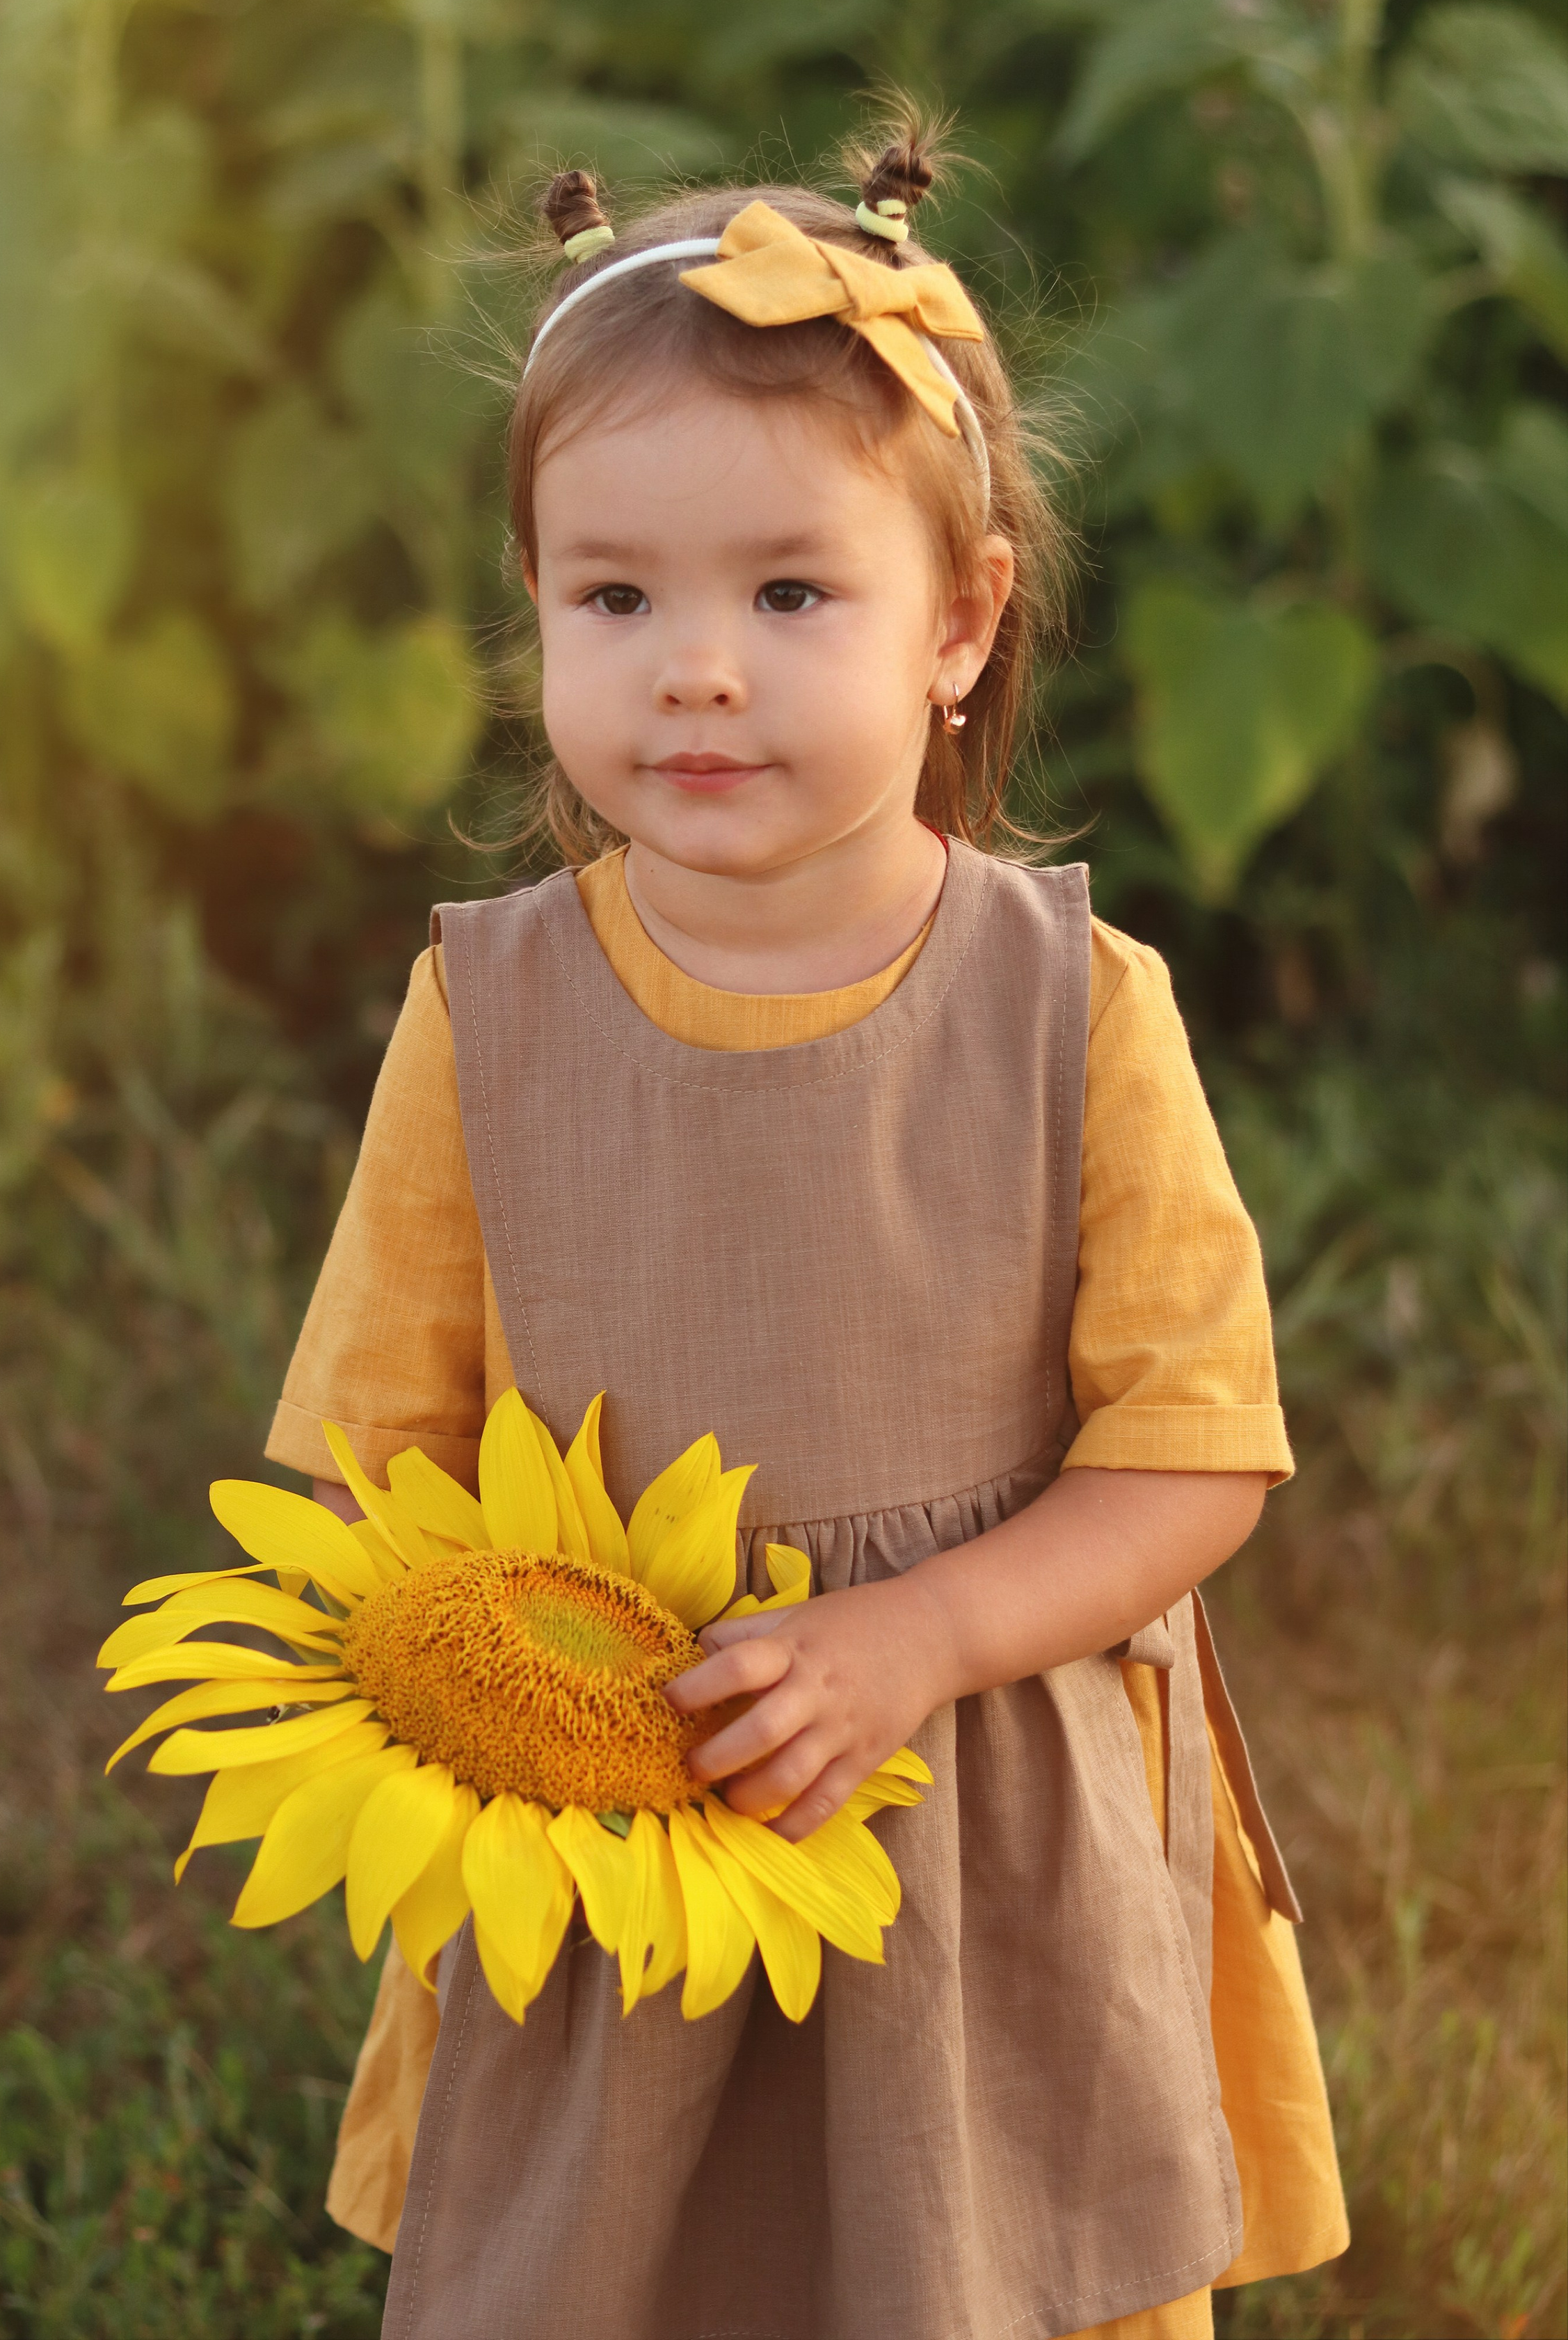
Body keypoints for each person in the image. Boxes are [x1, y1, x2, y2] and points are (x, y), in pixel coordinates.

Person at [266, 117, 1349, 2340]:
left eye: (789, 592)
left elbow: (1195, 1450)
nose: (693, 668)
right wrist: (461, 1724)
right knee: (609, 2263)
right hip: (610, 1821)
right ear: (541, 610)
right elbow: (372, 1459)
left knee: (985, 2260)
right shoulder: (489, 1015)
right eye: (615, 596)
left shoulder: (1074, 1014)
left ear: (960, 624)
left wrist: (918, 1643)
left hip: (971, 1812)